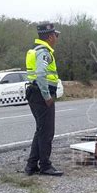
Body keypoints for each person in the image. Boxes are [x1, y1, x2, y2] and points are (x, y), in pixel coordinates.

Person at [24, 22, 63, 176]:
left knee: (41, 130)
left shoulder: (37, 50)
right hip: (41, 95)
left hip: (35, 93)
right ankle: (45, 166)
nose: (56, 38)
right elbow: (41, 74)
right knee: (47, 132)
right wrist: (47, 96)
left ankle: (31, 165)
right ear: (49, 36)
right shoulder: (44, 52)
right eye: (55, 35)